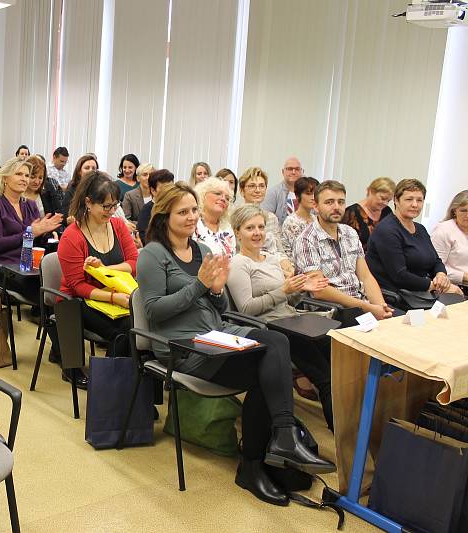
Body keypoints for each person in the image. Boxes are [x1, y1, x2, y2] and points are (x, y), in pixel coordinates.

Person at [137, 182, 334, 506]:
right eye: (182, 212)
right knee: (266, 361)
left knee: (276, 343)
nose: (191, 217)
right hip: (184, 348)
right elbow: (154, 310)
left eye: (193, 210)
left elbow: (219, 310)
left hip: (216, 334)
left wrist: (215, 292)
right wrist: (201, 286)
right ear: (164, 216)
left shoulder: (201, 250)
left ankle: (269, 450)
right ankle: (259, 460)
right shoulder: (152, 254)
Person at [227, 204, 333, 430]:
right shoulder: (238, 264)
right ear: (237, 232)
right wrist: (283, 291)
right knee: (325, 377)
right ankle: (345, 438)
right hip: (272, 329)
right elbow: (246, 309)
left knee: (337, 361)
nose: (257, 233)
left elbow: (288, 302)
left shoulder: (271, 258)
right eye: (249, 228)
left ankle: (354, 427)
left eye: (260, 227)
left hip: (293, 320)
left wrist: (300, 289)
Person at [58, 171, 138, 364]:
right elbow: (78, 285)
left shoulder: (118, 226)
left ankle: (132, 379)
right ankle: (112, 383)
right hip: (77, 300)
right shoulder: (72, 236)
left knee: (141, 324)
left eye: (115, 205)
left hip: (115, 295)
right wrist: (113, 297)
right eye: (106, 206)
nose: (111, 211)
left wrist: (104, 269)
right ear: (88, 203)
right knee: (125, 329)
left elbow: (134, 263)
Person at [294, 180, 394, 322]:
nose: (336, 207)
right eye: (329, 202)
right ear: (316, 206)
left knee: (397, 321)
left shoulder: (350, 232)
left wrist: (381, 307)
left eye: (341, 202)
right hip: (331, 311)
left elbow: (365, 276)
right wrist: (368, 308)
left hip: (360, 304)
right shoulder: (306, 240)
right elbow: (319, 290)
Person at [366, 178, 462, 298]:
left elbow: (436, 260)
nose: (415, 204)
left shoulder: (420, 229)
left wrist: (441, 275)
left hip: (419, 293)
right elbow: (399, 276)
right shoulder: (387, 230)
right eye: (409, 199)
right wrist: (436, 286)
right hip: (394, 297)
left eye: (419, 200)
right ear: (396, 200)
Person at [0, 158, 62, 302]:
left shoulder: (30, 205)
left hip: (30, 265)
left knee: (65, 283)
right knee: (52, 292)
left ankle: (51, 320)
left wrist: (46, 234)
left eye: (26, 175)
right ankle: (51, 321)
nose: (24, 179)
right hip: (7, 269)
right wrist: (30, 232)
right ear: (5, 178)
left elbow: (37, 242)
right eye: (19, 174)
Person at [239, 167, 292, 274]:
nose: (257, 190)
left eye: (261, 186)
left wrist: (288, 267)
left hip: (274, 267)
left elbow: (279, 251)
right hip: (250, 269)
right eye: (252, 186)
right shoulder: (236, 217)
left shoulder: (271, 218)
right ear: (242, 191)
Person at [342, 177, 395, 252]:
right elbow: (344, 246)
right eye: (383, 198)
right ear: (370, 191)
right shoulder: (351, 213)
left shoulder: (387, 211)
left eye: (388, 200)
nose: (385, 203)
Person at [431, 190, 468, 292]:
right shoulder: (443, 230)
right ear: (454, 211)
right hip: (451, 288)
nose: (467, 215)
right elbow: (435, 267)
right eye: (464, 210)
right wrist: (464, 276)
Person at [193, 177, 235, 257]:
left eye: (227, 198)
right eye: (218, 193)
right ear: (203, 195)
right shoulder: (193, 223)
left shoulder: (228, 228)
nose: (223, 199)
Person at [280, 176, 319, 258]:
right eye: (308, 194)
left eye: (315, 194)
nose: (313, 198)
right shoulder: (291, 222)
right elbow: (297, 252)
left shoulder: (317, 219)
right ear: (297, 196)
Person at [262, 157, 304, 226]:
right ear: (283, 172)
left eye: (297, 169)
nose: (293, 172)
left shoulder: (309, 194)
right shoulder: (272, 193)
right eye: (290, 169)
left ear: (302, 172)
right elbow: (265, 221)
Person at [136, 169, 175, 243]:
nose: (169, 192)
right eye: (164, 189)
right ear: (153, 191)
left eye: (171, 189)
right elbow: (145, 238)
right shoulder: (147, 210)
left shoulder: (175, 207)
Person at [23, 155, 62, 220]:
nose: (37, 182)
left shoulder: (48, 190)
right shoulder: (17, 195)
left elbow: (59, 214)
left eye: (40, 177)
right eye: (32, 177)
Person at [61, 154, 98, 222]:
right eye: (87, 168)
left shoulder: (100, 188)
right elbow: (65, 215)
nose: (91, 170)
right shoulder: (72, 188)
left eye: (93, 168)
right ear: (79, 172)